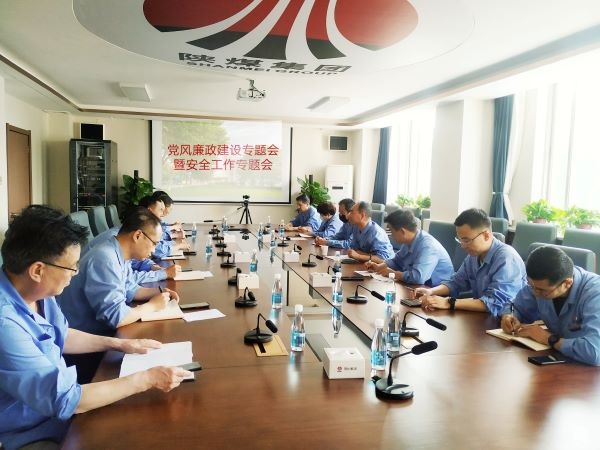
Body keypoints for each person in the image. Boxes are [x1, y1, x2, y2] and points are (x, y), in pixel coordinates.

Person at [0, 205, 191, 450]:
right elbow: (66, 400)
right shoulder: (5, 323)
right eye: (71, 267)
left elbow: (62, 335)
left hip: (60, 409)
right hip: (32, 432)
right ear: (38, 270)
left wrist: (119, 343)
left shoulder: (36, 291)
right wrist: (147, 379)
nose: (76, 273)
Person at [57, 208, 180, 382]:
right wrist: (151, 306)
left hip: (102, 338)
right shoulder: (105, 258)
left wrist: (159, 292)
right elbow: (116, 317)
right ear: (138, 235)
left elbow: (130, 289)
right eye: (154, 243)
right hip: (83, 350)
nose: (154, 250)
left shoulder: (118, 252)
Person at [417, 208, 527, 317]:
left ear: (486, 235)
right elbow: (456, 282)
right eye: (460, 240)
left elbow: (495, 303)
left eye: (466, 240)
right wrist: (431, 291)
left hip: (509, 321)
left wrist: (449, 302)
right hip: (483, 317)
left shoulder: (507, 258)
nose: (462, 245)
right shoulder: (474, 256)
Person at [500, 246, 600, 365]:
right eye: (531, 286)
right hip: (560, 359)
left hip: (588, 370)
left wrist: (548, 338)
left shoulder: (595, 294)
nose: (535, 293)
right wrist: (509, 315)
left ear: (567, 283)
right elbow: (513, 305)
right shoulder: (539, 285)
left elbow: (594, 352)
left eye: (542, 290)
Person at [365, 209, 454, 286]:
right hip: (419, 287)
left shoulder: (427, 246)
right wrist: (379, 266)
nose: (391, 236)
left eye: (392, 232)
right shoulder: (409, 241)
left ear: (402, 231)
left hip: (436, 290)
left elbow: (418, 277)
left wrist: (393, 274)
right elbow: (397, 261)